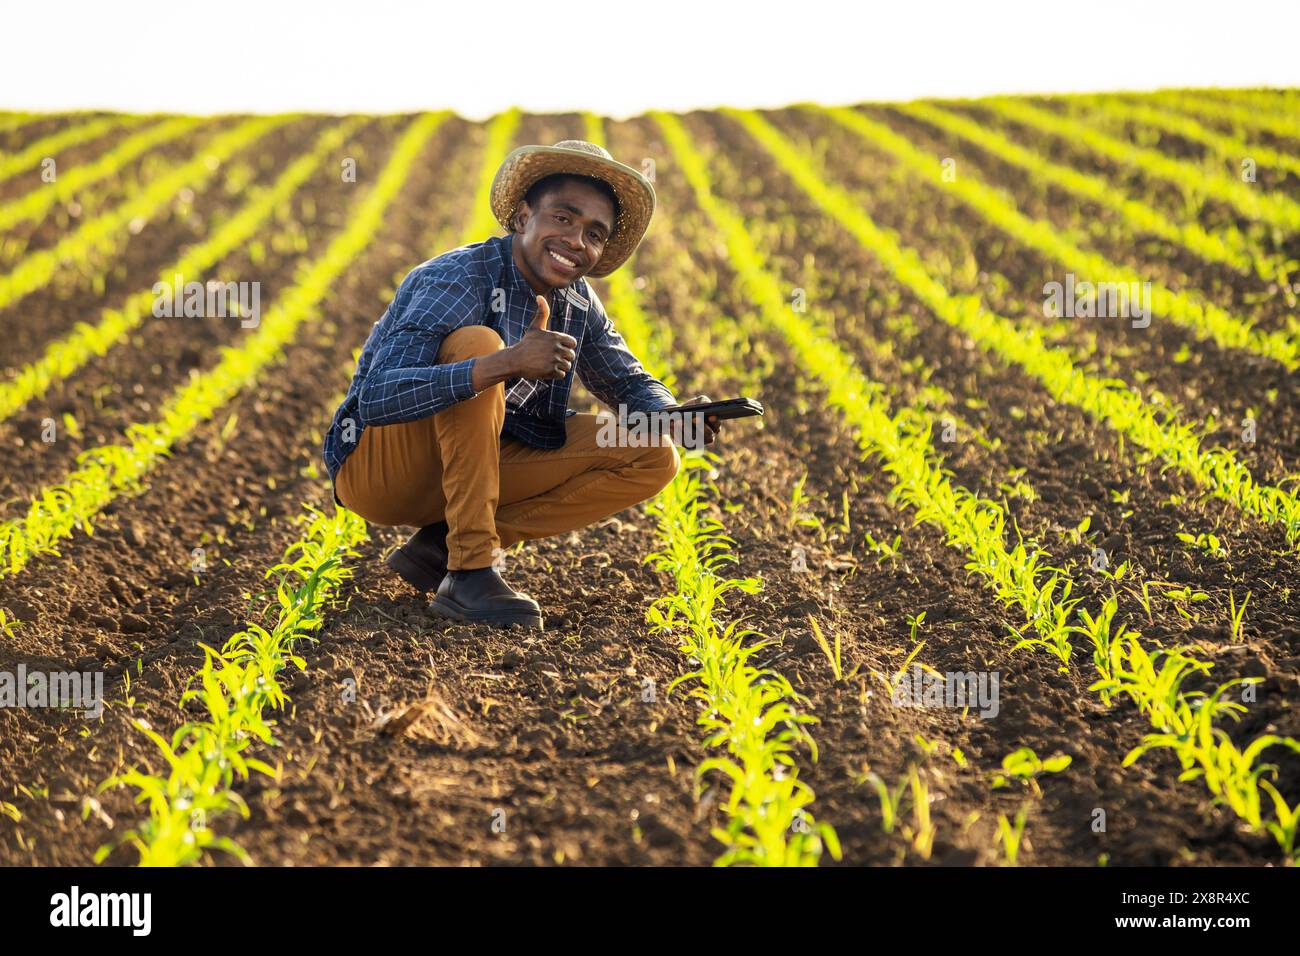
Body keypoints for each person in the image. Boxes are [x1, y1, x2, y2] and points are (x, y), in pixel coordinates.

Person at [322, 139, 722, 629]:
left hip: (472, 469)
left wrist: (671, 414)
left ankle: (446, 544)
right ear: (523, 215)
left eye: (594, 234)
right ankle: (469, 571)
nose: (577, 240)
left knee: (651, 450)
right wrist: (504, 363)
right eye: (563, 218)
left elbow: (626, 379)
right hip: (381, 470)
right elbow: (379, 397)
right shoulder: (457, 276)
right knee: (477, 343)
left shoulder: (577, 302)